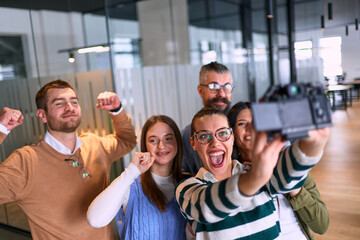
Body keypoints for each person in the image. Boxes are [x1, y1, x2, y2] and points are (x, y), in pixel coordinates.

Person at [0, 80, 137, 240]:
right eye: (59, 103)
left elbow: (127, 141)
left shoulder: (94, 144)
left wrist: (116, 110)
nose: (69, 107)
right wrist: (0, 129)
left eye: (74, 101)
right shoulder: (25, 162)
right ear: (42, 115)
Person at [175, 108, 330, 239]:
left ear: (232, 137)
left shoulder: (256, 172)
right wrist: (255, 178)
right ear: (193, 143)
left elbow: (289, 170)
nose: (215, 142)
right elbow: (205, 206)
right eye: (204, 136)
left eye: (222, 133)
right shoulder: (187, 188)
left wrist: (314, 143)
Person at [227, 101, 329, 240]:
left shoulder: (289, 162)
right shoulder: (230, 176)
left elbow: (321, 225)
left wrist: (292, 186)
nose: (251, 128)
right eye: (242, 124)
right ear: (231, 133)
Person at [87, 115, 191, 239]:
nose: (161, 145)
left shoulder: (190, 185)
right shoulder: (130, 184)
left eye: (168, 138)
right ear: (145, 145)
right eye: (153, 140)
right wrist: (132, 171)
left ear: (178, 142)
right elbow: (95, 219)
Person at [182, 61, 234, 174]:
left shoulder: (244, 125)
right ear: (200, 91)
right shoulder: (187, 135)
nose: (222, 94)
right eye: (214, 87)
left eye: (227, 87)